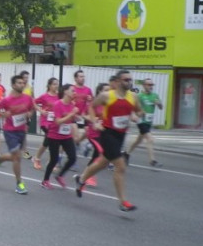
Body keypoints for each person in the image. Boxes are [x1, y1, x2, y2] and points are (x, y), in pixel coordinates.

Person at [74, 70, 143, 212]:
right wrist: (94, 122)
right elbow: (91, 107)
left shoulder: (133, 97)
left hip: (121, 134)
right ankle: (123, 202)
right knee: (121, 166)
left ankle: (81, 180)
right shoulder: (107, 96)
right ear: (117, 81)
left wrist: (135, 116)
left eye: (130, 80)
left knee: (102, 163)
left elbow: (140, 111)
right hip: (107, 133)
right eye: (125, 80)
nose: (129, 82)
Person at [0, 74, 34, 195]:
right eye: (19, 83)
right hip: (10, 131)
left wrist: (29, 114)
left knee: (15, 156)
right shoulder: (7, 100)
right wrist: (3, 115)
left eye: (22, 83)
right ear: (13, 85)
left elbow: (31, 108)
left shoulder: (27, 98)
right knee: (18, 157)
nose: (21, 84)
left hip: (21, 130)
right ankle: (19, 183)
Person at [41, 84, 78, 189]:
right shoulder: (57, 104)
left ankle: (60, 175)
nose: (74, 92)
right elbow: (57, 122)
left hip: (66, 135)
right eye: (72, 90)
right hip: (54, 135)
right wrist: (71, 114)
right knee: (54, 159)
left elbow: (72, 119)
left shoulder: (72, 105)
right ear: (65, 92)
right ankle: (45, 180)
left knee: (73, 158)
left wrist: (77, 117)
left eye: (75, 91)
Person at [123, 78, 164, 167]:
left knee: (138, 140)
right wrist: (135, 115)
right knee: (150, 139)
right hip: (141, 121)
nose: (151, 87)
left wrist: (158, 103)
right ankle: (152, 161)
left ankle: (126, 154)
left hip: (149, 122)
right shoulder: (140, 96)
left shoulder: (155, 95)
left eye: (152, 85)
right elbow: (133, 107)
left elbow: (161, 107)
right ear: (144, 85)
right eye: (149, 85)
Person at [32, 78, 60, 170]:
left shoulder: (59, 96)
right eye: (54, 84)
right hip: (45, 122)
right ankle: (38, 159)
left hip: (54, 122)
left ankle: (46, 160)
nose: (56, 86)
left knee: (50, 142)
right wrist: (41, 110)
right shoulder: (44, 96)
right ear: (49, 85)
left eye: (57, 84)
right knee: (50, 140)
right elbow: (33, 102)